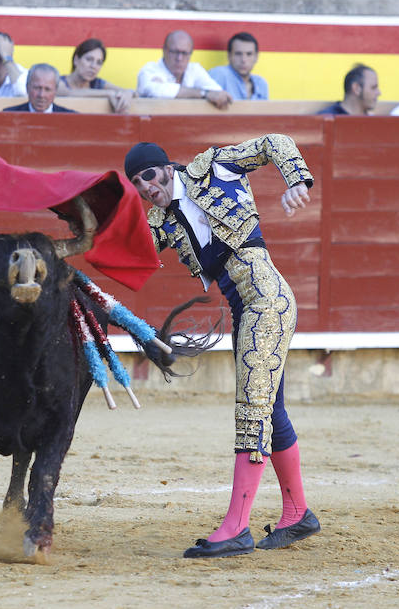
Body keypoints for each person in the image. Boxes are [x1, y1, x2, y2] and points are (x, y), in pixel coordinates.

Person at [123, 137, 320, 558]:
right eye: (137, 184)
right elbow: (127, 253)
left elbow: (275, 143)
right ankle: (297, 514)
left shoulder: (214, 166)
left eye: (149, 176)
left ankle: (236, 527)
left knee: (252, 407)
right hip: (244, 309)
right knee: (270, 408)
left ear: (165, 168)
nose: (145, 187)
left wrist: (296, 180)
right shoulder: (160, 220)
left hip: (267, 301)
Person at [136, 30, 232, 110]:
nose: (179, 58)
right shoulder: (150, 70)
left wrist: (208, 94)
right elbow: (156, 91)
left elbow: (217, 93)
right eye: (175, 52)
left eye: (185, 53)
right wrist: (203, 94)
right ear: (164, 50)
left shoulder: (194, 69)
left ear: (191, 54)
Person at [56, 38, 135, 114]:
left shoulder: (97, 83)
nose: (93, 66)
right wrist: (107, 93)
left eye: (99, 62)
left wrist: (128, 93)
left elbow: (135, 93)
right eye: (89, 59)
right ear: (76, 60)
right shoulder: (59, 82)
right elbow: (69, 93)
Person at [209, 32, 269, 101]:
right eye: (238, 54)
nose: (243, 60)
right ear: (229, 56)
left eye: (249, 54)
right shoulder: (219, 74)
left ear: (256, 57)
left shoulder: (261, 83)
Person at [3, 64, 75, 113]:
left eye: (47, 89)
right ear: (27, 88)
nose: (41, 95)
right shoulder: (9, 115)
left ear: (55, 91)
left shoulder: (71, 118)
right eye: (37, 88)